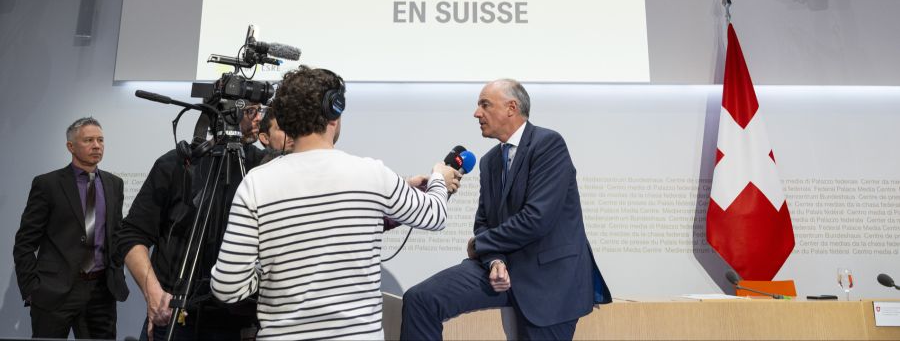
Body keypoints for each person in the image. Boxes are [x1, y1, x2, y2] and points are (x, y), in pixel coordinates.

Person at [210, 66, 462, 340]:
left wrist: (271, 270)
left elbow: (226, 286)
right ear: (335, 112)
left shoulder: (255, 183)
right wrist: (439, 176)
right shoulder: (371, 174)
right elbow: (434, 215)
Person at [401, 79, 611, 341]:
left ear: (512, 107)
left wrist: (480, 244)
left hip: (549, 281)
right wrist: (494, 259)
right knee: (420, 300)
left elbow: (536, 219)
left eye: (484, 105)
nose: (476, 113)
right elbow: (484, 222)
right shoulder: (490, 162)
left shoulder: (548, 144)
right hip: (499, 268)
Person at [114, 103, 268, 340]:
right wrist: (152, 293)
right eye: (249, 111)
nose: (259, 118)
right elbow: (132, 234)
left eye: (261, 111)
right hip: (174, 314)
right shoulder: (176, 164)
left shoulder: (263, 169)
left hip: (240, 319)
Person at [13, 116, 129, 339]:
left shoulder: (115, 184)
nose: (96, 146)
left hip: (101, 291)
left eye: (100, 140)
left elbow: (116, 234)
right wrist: (31, 288)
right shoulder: (47, 184)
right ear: (70, 146)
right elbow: (25, 242)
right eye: (88, 140)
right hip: (54, 291)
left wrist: (115, 271)